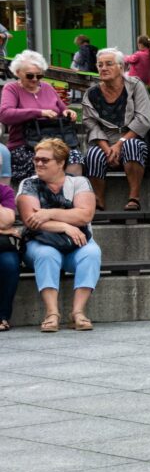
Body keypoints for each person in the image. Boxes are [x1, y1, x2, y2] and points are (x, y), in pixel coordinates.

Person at [17, 138, 101, 332]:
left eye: (45, 160)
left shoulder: (79, 182)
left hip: (77, 242)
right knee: (48, 254)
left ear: (61, 162)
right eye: (36, 159)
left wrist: (49, 213)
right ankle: (52, 313)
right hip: (39, 242)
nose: (38, 163)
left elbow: (85, 214)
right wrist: (65, 226)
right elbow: (31, 220)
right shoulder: (28, 184)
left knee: (92, 253)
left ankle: (78, 313)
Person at [81, 48, 150, 212]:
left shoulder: (135, 86)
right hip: (104, 141)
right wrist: (107, 148)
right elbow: (90, 123)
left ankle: (134, 197)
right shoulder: (91, 93)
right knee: (93, 154)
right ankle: (98, 200)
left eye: (109, 64)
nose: (103, 68)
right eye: (100, 65)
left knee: (132, 146)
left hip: (132, 137)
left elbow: (143, 119)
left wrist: (120, 143)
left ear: (121, 67)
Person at [0, 50, 83, 183]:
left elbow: (62, 109)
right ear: (17, 73)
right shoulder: (12, 89)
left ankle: (71, 196)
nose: (35, 79)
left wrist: (68, 113)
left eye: (39, 76)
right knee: (46, 159)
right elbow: (5, 114)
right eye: (30, 75)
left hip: (55, 140)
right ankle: (47, 199)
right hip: (25, 144)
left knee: (74, 155)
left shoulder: (47, 87)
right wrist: (39, 112)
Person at [0, 172, 20, 331]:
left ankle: (2, 316)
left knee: (10, 263)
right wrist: (4, 231)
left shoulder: (5, 191)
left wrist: (4, 229)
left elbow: (7, 221)